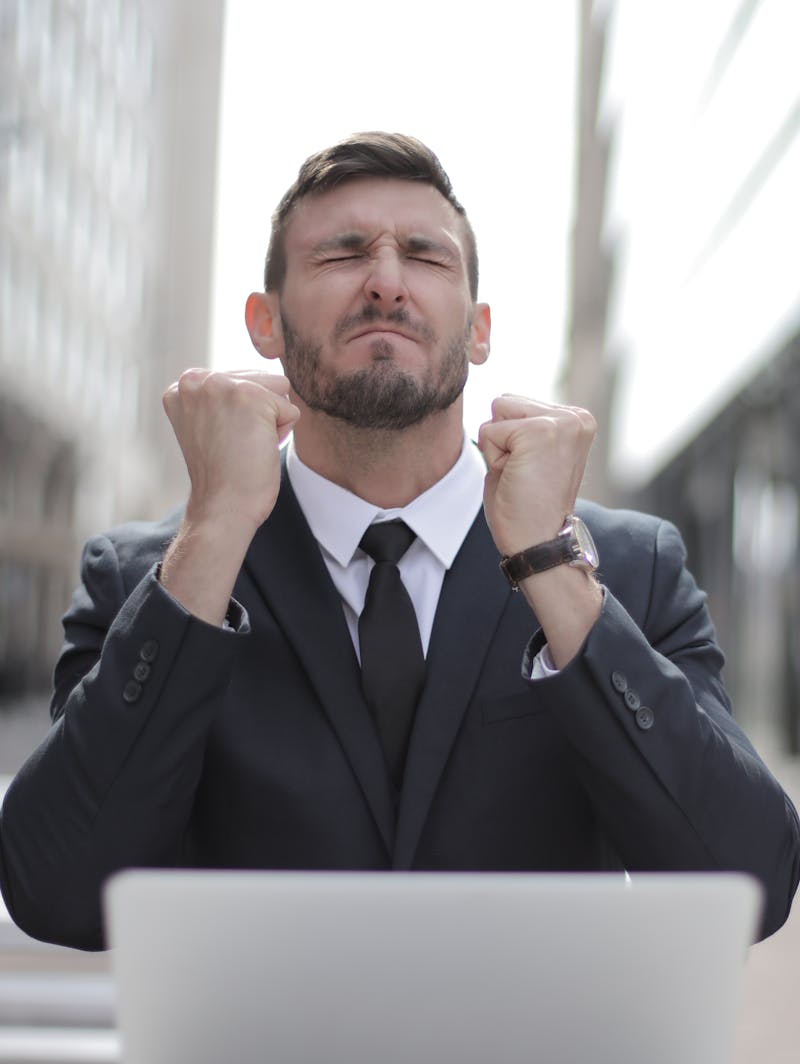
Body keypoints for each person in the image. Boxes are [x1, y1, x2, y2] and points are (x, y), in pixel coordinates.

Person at [0, 132, 797, 951]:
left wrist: (549, 564)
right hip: (250, 1046)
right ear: (265, 323)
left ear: (479, 331)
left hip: (534, 1045)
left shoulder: (629, 568)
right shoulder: (150, 578)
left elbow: (747, 886)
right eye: (342, 254)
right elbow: (56, 893)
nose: (386, 281)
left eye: (425, 255)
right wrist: (215, 530)